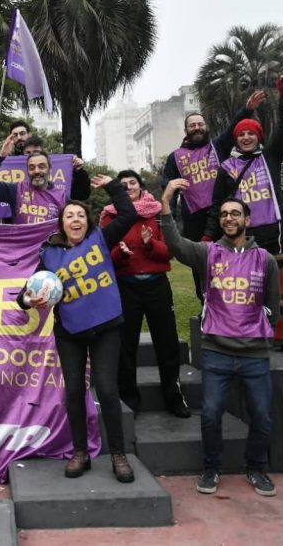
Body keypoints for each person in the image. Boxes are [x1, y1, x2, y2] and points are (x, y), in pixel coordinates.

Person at [161, 180, 279, 498]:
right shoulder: (207, 253)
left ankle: (257, 469)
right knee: (211, 414)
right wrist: (167, 202)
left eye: (235, 213)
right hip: (216, 352)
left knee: (263, 416)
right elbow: (175, 245)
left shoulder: (266, 260)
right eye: (224, 214)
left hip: (255, 354)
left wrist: (262, 334)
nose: (229, 218)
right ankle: (212, 469)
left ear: (247, 220)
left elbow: (274, 306)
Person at [18, 178, 138, 483]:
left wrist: (113, 187)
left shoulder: (100, 238)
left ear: (88, 221)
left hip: (106, 328)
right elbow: (25, 295)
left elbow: (128, 214)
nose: (75, 220)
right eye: (69, 216)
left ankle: (119, 455)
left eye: (80, 215)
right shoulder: (49, 254)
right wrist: (29, 299)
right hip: (69, 332)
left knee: (108, 390)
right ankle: (80, 452)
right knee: (73, 392)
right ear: (61, 223)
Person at [205, 77, 283, 353]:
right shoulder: (226, 167)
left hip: (276, 231)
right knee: (250, 288)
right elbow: (217, 204)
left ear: (259, 136)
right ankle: (253, 334)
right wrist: (209, 234)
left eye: (251, 134)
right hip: (244, 237)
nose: (246, 138)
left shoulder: (270, 157)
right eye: (241, 135)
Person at [100, 170, 189, 419]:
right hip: (125, 286)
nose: (128, 186)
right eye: (123, 184)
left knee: (167, 342)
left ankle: (173, 396)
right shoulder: (109, 216)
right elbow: (104, 256)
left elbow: (168, 251)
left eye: (133, 183)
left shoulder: (156, 212)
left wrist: (150, 245)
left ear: (140, 187)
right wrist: (121, 254)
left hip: (156, 285)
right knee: (125, 344)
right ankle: (129, 399)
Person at [163, 91, 265, 302]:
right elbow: (169, 189)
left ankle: (237, 299)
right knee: (200, 262)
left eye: (200, 124)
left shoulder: (218, 146)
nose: (197, 128)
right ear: (186, 130)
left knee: (232, 255)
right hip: (193, 219)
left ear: (206, 127)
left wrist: (247, 109)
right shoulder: (175, 157)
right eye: (193, 125)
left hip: (223, 213)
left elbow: (231, 130)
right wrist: (168, 218)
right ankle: (206, 303)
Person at [0, 134, 90, 224]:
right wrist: (1, 157)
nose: (36, 171)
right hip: (23, 250)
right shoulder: (17, 190)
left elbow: (82, 199)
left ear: (50, 169)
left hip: (48, 250)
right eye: (32, 168)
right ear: (27, 170)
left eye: (41, 166)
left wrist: (79, 172)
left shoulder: (61, 196)